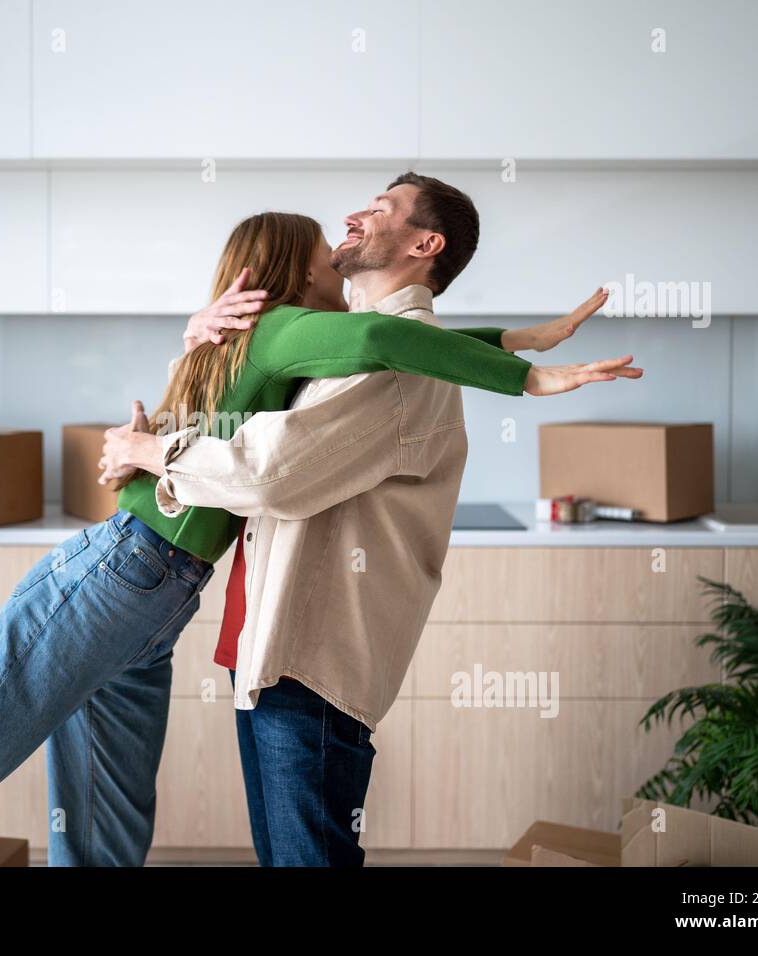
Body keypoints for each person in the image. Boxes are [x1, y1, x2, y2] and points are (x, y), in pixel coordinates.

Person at [0, 190, 637, 868]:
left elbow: (389, 337)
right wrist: (527, 372)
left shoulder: (265, 343)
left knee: (106, 836)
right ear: (292, 279)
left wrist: (515, 338)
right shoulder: (294, 331)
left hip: (148, 603)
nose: (343, 241)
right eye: (327, 248)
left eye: (368, 220)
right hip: (119, 581)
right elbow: (381, 336)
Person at [92, 175, 636, 866]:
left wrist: (152, 452)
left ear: (424, 243)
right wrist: (192, 349)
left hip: (309, 662)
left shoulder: (393, 365)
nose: (352, 215)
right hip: (271, 651)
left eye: (380, 209)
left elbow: (268, 472)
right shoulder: (353, 348)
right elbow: (233, 408)